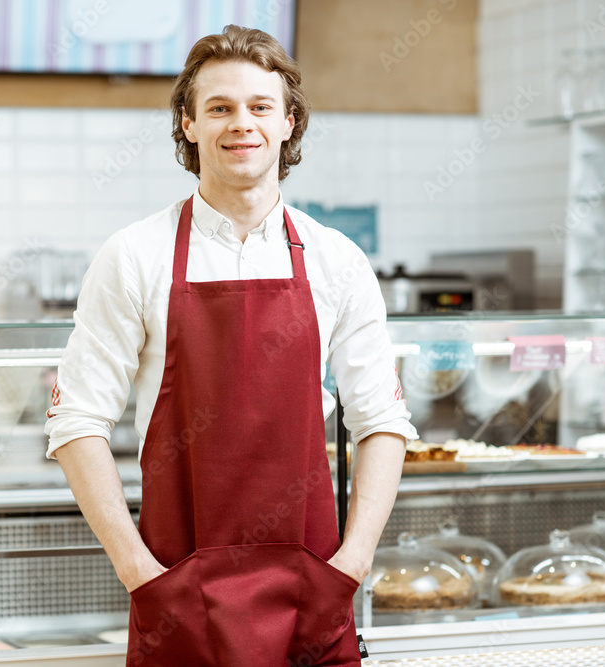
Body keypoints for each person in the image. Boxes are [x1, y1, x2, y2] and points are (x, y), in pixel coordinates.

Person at [45, 25, 417, 667]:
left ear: (288, 122)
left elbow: (381, 422)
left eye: (259, 107)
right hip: (177, 594)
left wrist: (349, 567)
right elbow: (77, 421)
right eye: (219, 107)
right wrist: (140, 573)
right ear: (188, 124)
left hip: (313, 593)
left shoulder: (337, 259)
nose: (240, 124)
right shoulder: (135, 255)